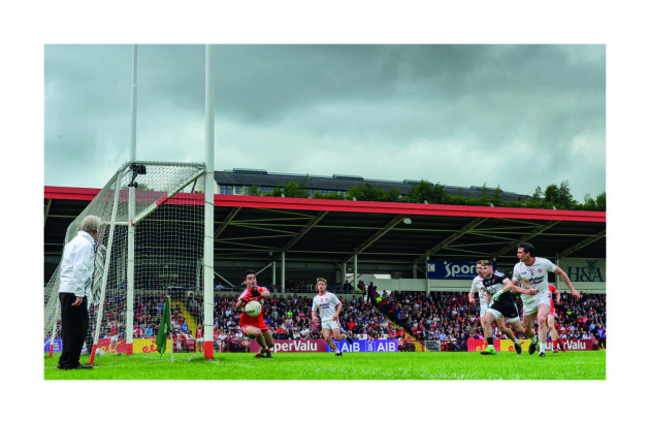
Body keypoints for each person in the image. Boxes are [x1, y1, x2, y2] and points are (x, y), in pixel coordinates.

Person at [512, 242, 581, 357]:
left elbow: (561, 273)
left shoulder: (544, 263)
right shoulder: (518, 267)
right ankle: (535, 341)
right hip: (527, 299)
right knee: (526, 330)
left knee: (541, 320)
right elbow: (513, 287)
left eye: (520, 252)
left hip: (543, 295)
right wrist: (526, 292)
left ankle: (542, 352)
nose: (517, 255)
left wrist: (572, 290)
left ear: (528, 254)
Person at [57, 215, 101, 370]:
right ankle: (71, 362)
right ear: (95, 230)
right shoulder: (85, 244)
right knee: (78, 327)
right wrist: (80, 293)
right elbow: (80, 269)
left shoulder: (73, 242)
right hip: (74, 291)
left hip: (66, 289)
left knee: (69, 328)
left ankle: (65, 360)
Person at [479, 260, 537, 356]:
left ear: (491, 268)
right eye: (482, 269)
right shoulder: (485, 281)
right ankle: (491, 347)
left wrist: (500, 292)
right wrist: (486, 305)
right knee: (486, 321)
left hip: (508, 304)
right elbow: (488, 292)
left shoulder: (499, 275)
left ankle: (535, 339)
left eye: (485, 268)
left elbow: (510, 284)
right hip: (497, 305)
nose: (483, 271)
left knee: (519, 329)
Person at [235, 270, 275, 358]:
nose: (252, 280)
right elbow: (237, 306)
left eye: (254, 278)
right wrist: (243, 300)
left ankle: (260, 354)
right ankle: (266, 349)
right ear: (245, 282)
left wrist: (259, 294)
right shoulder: (245, 294)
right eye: (249, 279)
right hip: (246, 323)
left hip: (260, 321)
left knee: (271, 344)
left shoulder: (261, 289)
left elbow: (268, 294)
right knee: (258, 333)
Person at [311, 277, 353, 356]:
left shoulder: (331, 295)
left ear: (325, 286)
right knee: (327, 338)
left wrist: (337, 313)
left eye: (322, 284)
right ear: (317, 286)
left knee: (337, 337)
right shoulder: (316, 298)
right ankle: (338, 352)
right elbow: (314, 310)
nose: (321, 286)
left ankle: (345, 336)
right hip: (324, 320)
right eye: (319, 284)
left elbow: (340, 304)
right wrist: (314, 317)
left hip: (333, 319)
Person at [547, 284, 565, 353]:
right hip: (542, 309)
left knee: (551, 326)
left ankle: (554, 347)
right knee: (551, 328)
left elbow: (557, 293)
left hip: (550, 308)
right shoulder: (537, 286)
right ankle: (560, 342)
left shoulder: (550, 286)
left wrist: (558, 299)